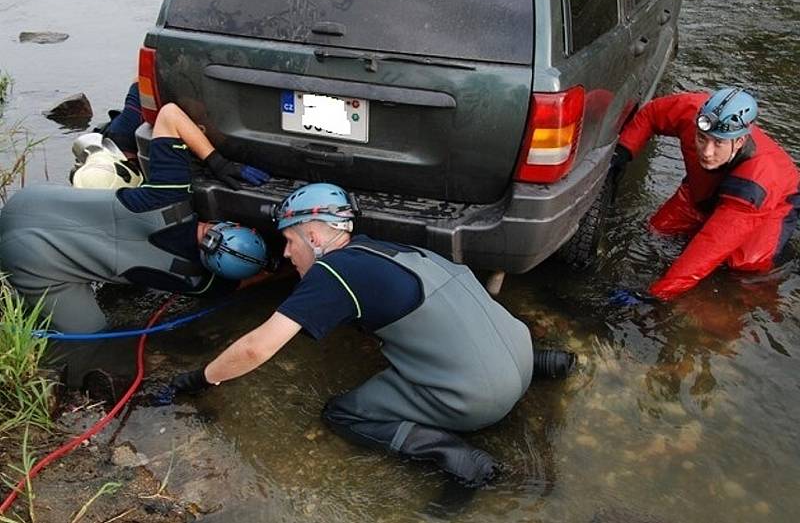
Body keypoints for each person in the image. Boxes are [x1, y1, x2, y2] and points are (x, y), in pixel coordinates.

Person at [167, 182, 575, 487]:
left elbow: (257, 348)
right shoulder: (385, 249)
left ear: (312, 235)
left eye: (290, 242)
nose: (287, 254)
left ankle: (459, 458)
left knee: (342, 413)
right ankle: (546, 362)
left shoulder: (332, 273)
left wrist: (200, 378)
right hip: (518, 351)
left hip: (482, 400)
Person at [0, 101, 271, 389]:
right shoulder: (196, 282)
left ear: (227, 225)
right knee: (91, 335)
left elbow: (169, 114)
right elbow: (251, 282)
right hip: (26, 259)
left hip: (31, 201)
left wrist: (219, 163)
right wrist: (276, 272)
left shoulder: (170, 197)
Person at [610, 87, 800, 301]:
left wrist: (658, 293)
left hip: (773, 199)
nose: (707, 152)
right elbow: (653, 113)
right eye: (702, 138)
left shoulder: (757, 181)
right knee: (657, 230)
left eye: (718, 143)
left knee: (745, 264)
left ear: (739, 142)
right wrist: (625, 149)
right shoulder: (691, 110)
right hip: (703, 187)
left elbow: (710, 245)